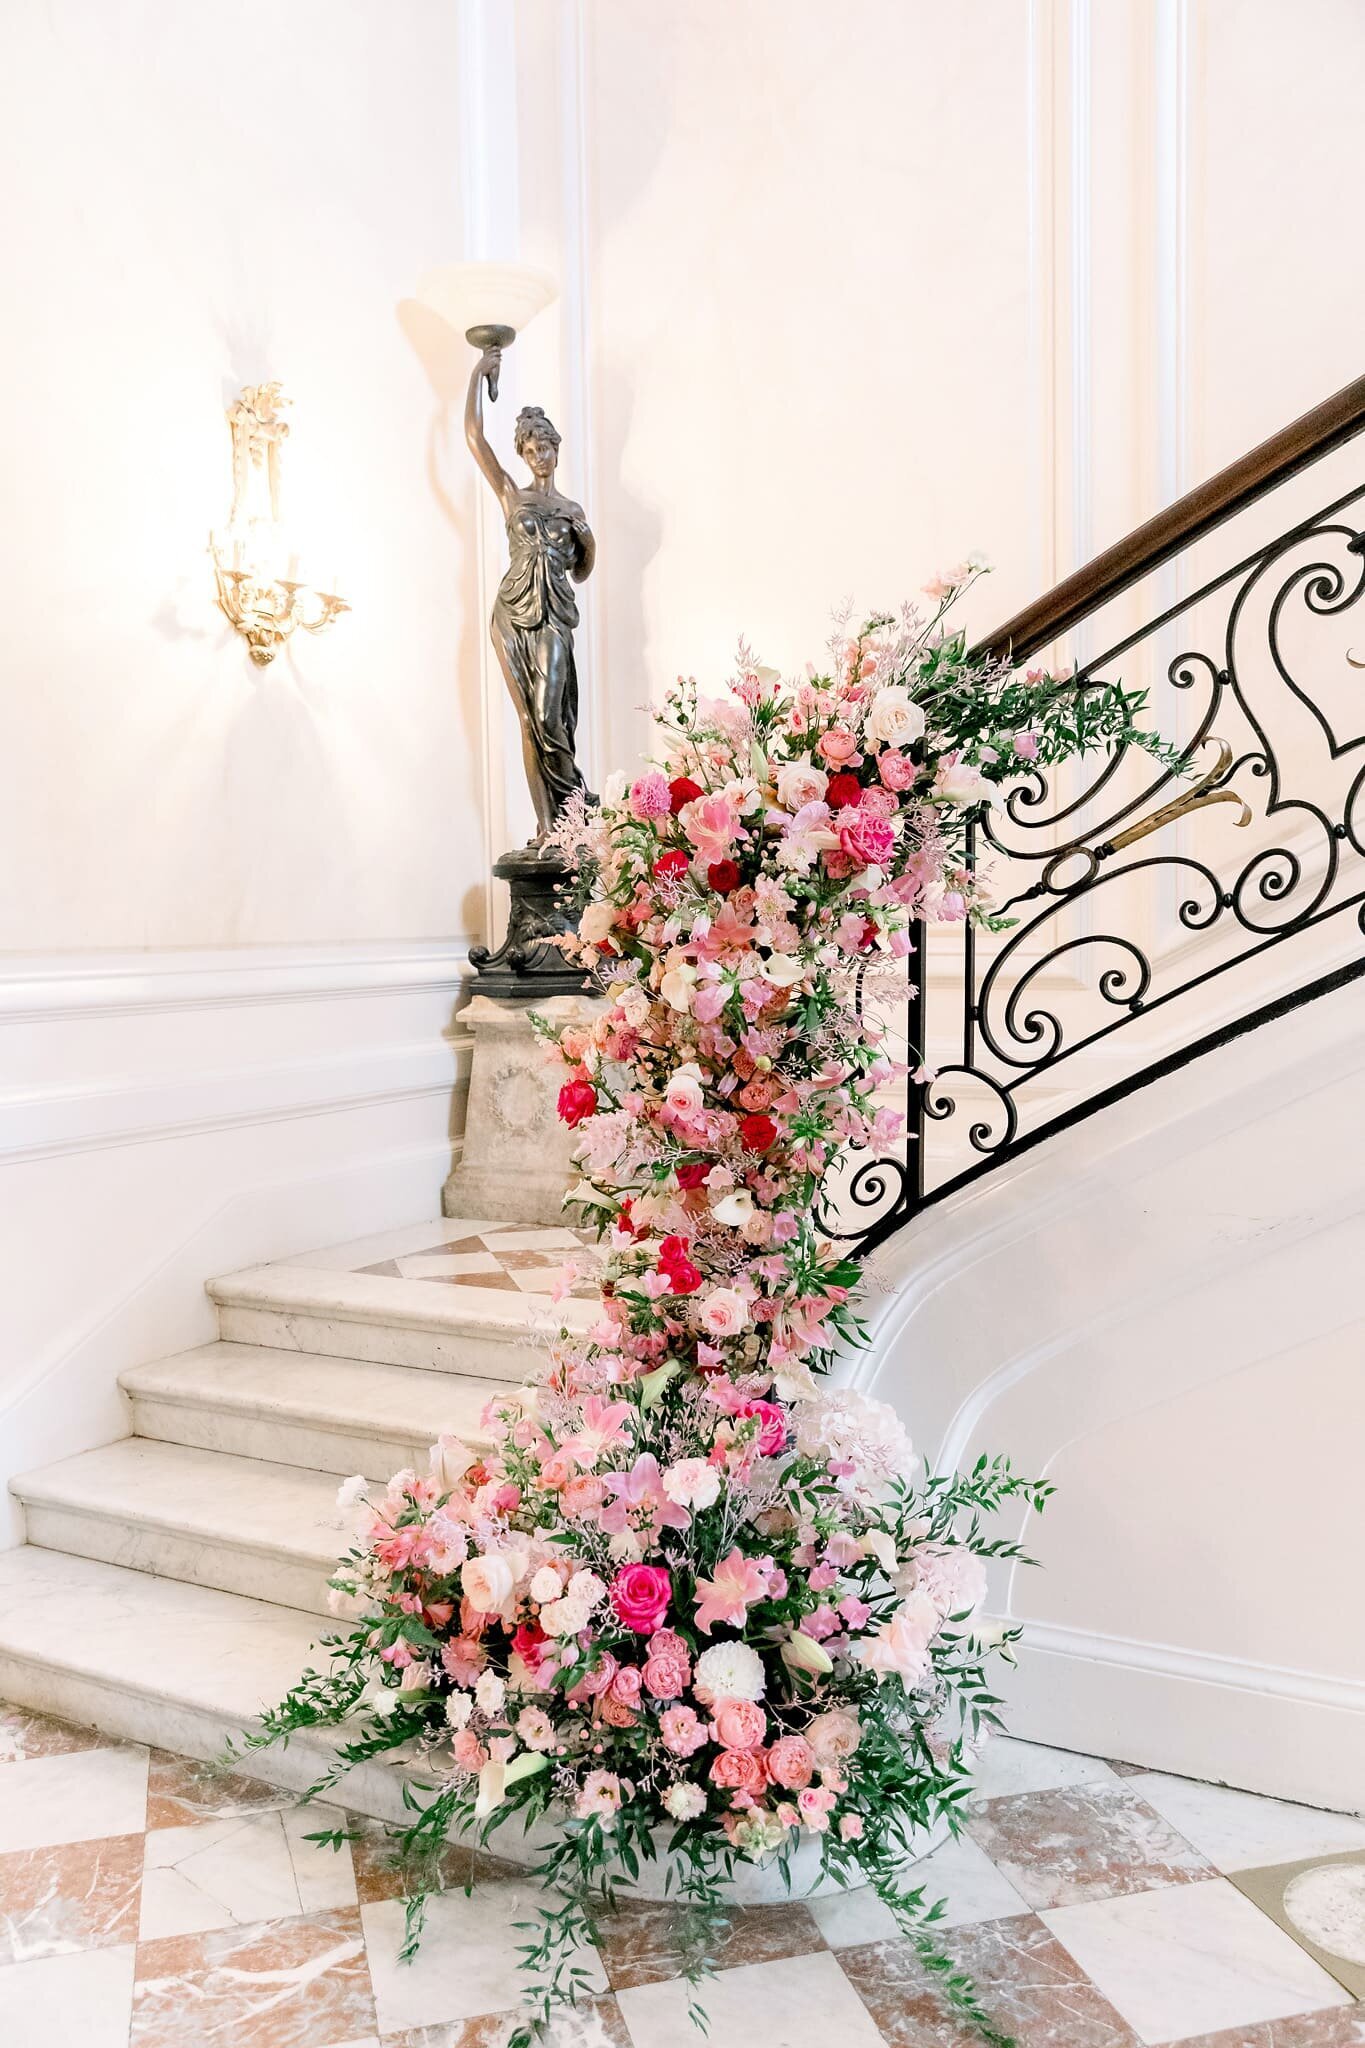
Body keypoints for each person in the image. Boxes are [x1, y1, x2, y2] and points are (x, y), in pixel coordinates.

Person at [465, 345, 596, 839]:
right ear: (523, 454)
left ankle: (574, 815)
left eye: (545, 447)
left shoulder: (571, 507)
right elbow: (474, 437)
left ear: (556, 451)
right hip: (512, 609)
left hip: (555, 616)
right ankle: (546, 828)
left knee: (549, 715)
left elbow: (582, 571)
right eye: (530, 449)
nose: (539, 455)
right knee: (525, 716)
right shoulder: (511, 496)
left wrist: (587, 539)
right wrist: (480, 373)